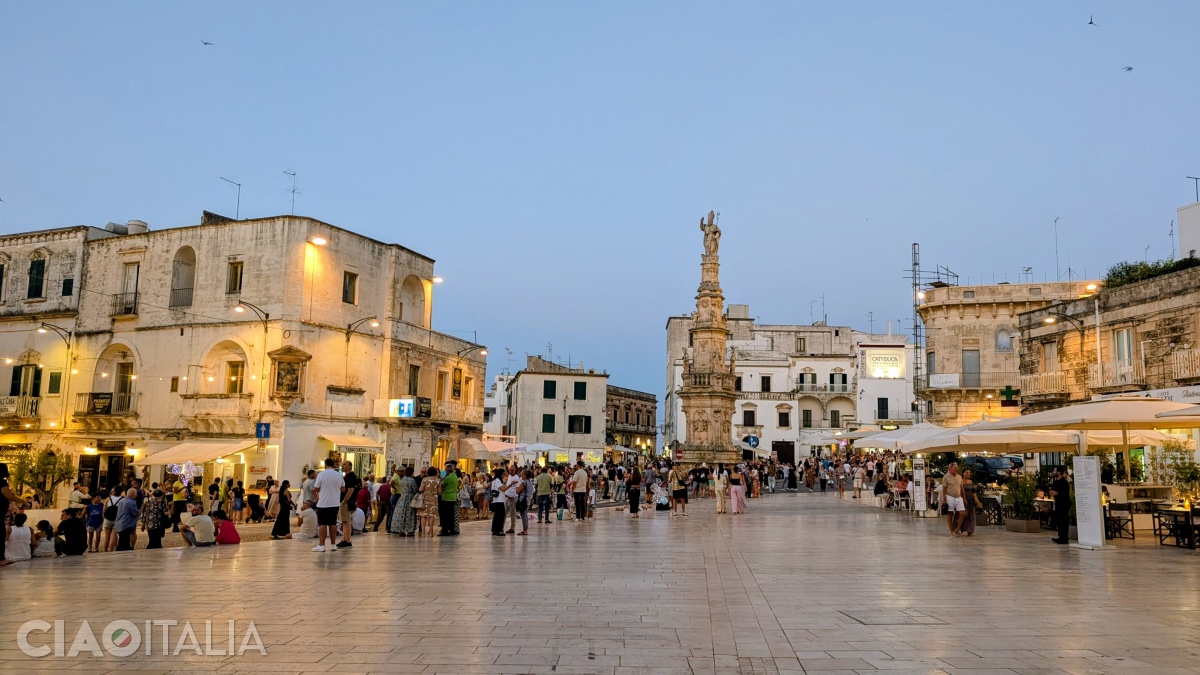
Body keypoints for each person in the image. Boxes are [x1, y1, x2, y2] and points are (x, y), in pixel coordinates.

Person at [311, 458, 345, 552]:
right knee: (332, 523)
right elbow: (343, 489)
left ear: (325, 465)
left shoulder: (321, 474)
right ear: (333, 465)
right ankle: (333, 544)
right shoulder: (339, 475)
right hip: (335, 503)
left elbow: (316, 488)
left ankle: (321, 545)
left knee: (322, 524)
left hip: (323, 503)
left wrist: (315, 494)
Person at [337, 460, 361, 548]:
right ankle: (345, 539)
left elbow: (351, 490)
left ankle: (347, 540)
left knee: (346, 521)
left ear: (350, 466)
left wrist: (344, 501)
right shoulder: (348, 476)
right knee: (345, 521)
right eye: (342, 465)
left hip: (346, 502)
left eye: (345, 465)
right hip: (349, 501)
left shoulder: (349, 477)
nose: (343, 466)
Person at [390, 466, 418, 537]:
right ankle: (409, 531)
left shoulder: (402, 480)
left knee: (401, 514)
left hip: (402, 498)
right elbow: (415, 490)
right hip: (410, 498)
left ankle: (401, 530)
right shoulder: (412, 480)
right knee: (409, 514)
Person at [943, 462, 966, 536]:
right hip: (950, 496)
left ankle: (957, 529)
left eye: (957, 467)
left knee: (963, 513)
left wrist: (964, 498)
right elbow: (944, 488)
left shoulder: (959, 477)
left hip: (958, 497)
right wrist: (944, 499)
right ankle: (951, 530)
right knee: (950, 514)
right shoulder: (946, 477)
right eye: (955, 467)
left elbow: (962, 488)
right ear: (950, 468)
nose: (957, 469)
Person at [1050, 466, 1071, 545]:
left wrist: (1057, 493)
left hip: (1064, 504)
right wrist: (1054, 493)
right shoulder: (1055, 482)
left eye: (1055, 470)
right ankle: (1060, 536)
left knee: (1064, 521)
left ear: (1059, 472)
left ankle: (1065, 537)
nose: (1053, 472)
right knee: (1058, 520)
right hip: (1058, 503)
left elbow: (1064, 493)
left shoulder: (1064, 482)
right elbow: (1052, 491)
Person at [418, 466, 441, 538]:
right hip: (434, 499)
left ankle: (423, 533)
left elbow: (421, 489)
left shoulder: (424, 479)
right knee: (431, 516)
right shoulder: (437, 480)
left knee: (423, 516)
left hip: (425, 499)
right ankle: (431, 532)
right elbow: (439, 491)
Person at [438, 462, 460, 536]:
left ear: (447, 470)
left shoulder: (448, 477)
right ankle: (452, 530)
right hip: (453, 497)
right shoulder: (454, 476)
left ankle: (445, 530)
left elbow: (442, 484)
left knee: (445, 515)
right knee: (451, 515)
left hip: (447, 497)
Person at [489, 467, 507, 536]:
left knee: (496, 516)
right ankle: (499, 530)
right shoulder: (498, 481)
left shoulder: (494, 481)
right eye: (503, 474)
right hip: (499, 501)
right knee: (501, 516)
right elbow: (503, 489)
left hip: (495, 500)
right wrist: (510, 485)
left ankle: (494, 530)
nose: (504, 475)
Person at [961, 469, 977, 537]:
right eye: (967, 472)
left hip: (971, 499)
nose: (968, 474)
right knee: (963, 515)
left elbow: (974, 491)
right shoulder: (961, 481)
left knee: (971, 515)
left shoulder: (971, 481)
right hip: (962, 499)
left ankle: (970, 530)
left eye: (969, 472)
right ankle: (960, 528)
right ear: (963, 473)